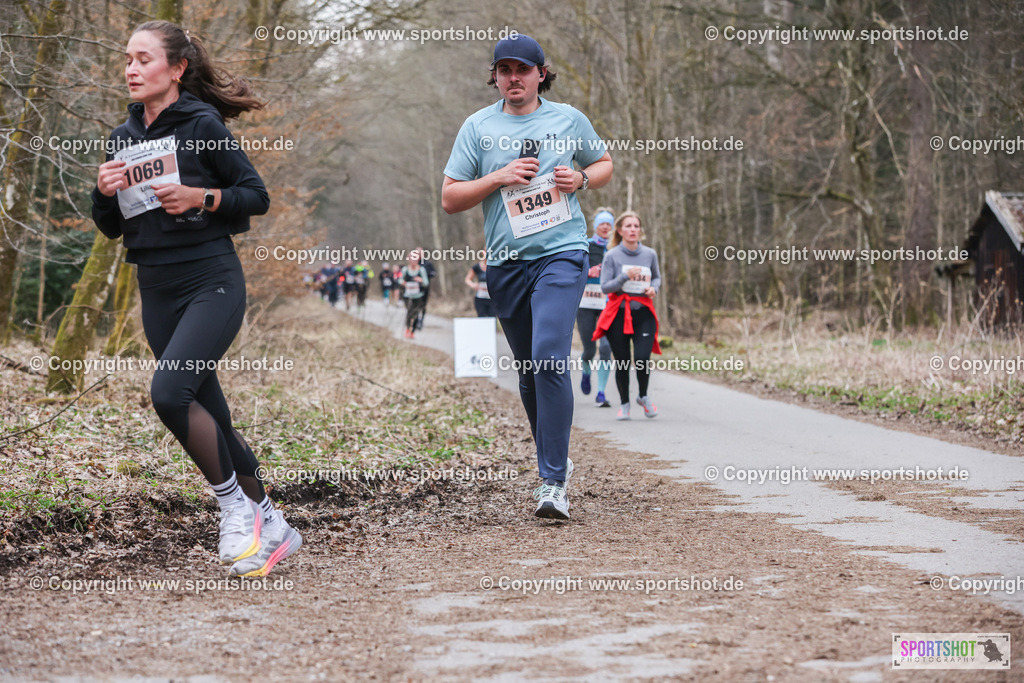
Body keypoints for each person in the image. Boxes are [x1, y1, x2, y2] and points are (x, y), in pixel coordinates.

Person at [91, 20, 301, 577]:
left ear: (177, 68)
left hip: (211, 279)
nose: (131, 69)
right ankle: (271, 522)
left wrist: (198, 196)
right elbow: (110, 226)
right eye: (127, 59)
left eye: (143, 59)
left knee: (169, 393)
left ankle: (233, 509)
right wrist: (103, 193)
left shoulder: (202, 124)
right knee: (213, 416)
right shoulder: (121, 137)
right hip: (155, 286)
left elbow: (255, 196)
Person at [442, 34, 613, 520]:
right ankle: (554, 458)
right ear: (495, 77)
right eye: (505, 70)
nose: (513, 78)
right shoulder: (478, 127)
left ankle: (552, 481)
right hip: (506, 264)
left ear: (541, 74)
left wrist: (581, 179)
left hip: (561, 254)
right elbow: (450, 198)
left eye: (523, 69)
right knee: (530, 371)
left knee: (549, 358)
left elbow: (604, 164)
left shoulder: (568, 119)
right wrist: (498, 177)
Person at [593, 211, 661, 421]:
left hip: (643, 313)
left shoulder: (650, 254)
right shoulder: (611, 255)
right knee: (622, 361)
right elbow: (605, 287)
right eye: (628, 226)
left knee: (642, 359)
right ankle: (624, 404)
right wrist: (624, 277)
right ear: (620, 231)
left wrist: (654, 289)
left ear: (640, 230)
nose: (633, 230)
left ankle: (643, 396)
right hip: (618, 314)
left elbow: (657, 278)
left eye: (636, 226)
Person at [576, 208, 614, 407]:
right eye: (602, 223)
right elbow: (572, 270)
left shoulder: (616, 248)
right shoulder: (586, 245)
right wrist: (588, 272)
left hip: (608, 304)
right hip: (586, 303)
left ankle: (601, 393)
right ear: (596, 226)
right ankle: (586, 371)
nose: (605, 227)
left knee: (606, 348)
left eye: (609, 224)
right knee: (590, 349)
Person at [400, 249, 429, 338]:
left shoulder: (421, 270)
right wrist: (403, 283)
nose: (413, 260)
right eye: (412, 258)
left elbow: (426, 283)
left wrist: (421, 280)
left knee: (416, 313)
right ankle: (408, 329)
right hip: (407, 295)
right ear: (409, 259)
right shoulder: (405, 270)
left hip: (418, 295)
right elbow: (400, 280)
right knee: (409, 312)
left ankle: (412, 331)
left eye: (415, 259)